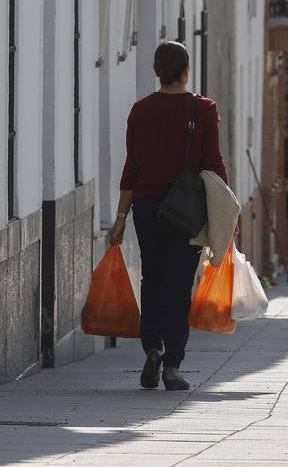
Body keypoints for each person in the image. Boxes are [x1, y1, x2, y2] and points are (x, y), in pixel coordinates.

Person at [110, 41, 228, 392]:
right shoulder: (203, 109)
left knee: (152, 277)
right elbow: (214, 164)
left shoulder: (140, 110)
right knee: (178, 285)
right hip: (186, 210)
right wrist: (224, 215)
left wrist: (119, 217)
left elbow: (132, 168)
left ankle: (152, 347)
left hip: (147, 207)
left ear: (156, 71)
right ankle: (173, 365)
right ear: (186, 70)